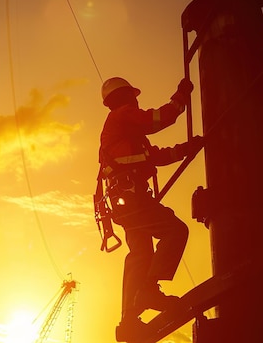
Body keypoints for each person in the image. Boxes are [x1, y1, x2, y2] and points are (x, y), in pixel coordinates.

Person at [97, 77, 203, 339]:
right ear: (126, 98)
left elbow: (156, 156)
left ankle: (129, 319)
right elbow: (158, 119)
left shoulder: (128, 134)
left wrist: (186, 149)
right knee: (176, 231)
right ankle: (149, 291)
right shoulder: (123, 116)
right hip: (132, 200)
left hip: (123, 203)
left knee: (140, 255)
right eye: (134, 98)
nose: (136, 101)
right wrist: (180, 98)